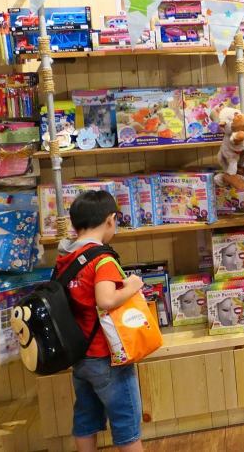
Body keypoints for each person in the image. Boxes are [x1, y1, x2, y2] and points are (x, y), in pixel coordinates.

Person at [55, 190, 144, 452]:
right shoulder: (102, 259)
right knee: (126, 422)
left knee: (86, 417)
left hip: (80, 355)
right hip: (106, 356)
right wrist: (133, 285)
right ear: (110, 220)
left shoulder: (65, 257)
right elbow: (105, 300)